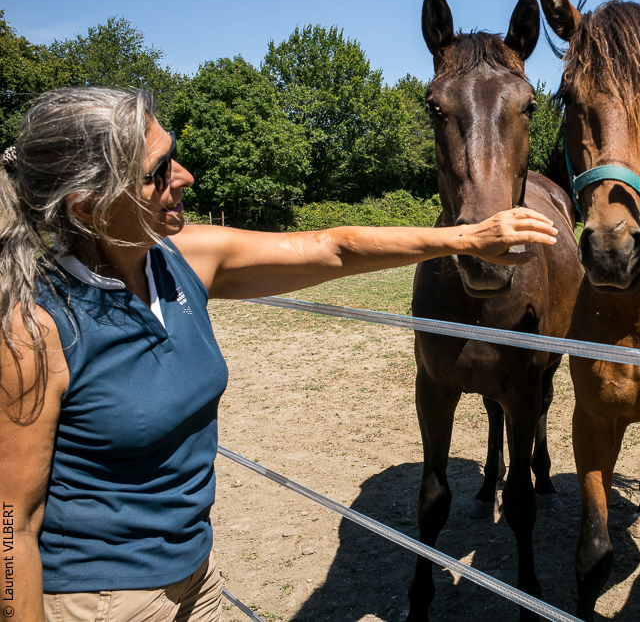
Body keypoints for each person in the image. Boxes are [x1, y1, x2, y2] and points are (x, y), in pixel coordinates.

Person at [0, 87, 559, 622]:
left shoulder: (177, 261)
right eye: (157, 171)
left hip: (197, 576)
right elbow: (10, 526)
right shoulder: (33, 329)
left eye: (174, 157)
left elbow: (330, 248)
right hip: (99, 602)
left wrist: (467, 238)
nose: (184, 177)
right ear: (89, 204)